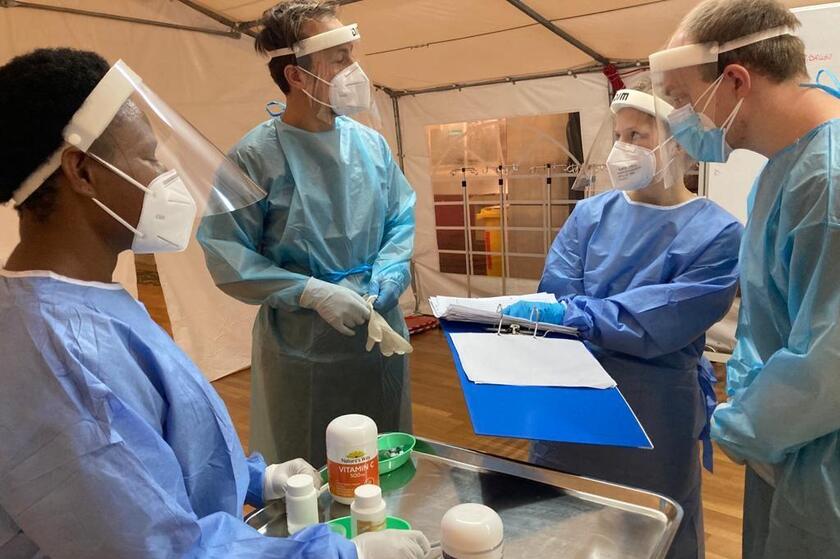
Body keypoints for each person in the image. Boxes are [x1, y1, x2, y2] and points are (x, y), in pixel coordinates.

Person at [0, 47, 429, 559]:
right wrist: (343, 554)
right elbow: (159, 549)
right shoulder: (55, 353)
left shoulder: (86, 304)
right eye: (148, 158)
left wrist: (254, 478)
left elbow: (153, 452)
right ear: (83, 172)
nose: (164, 175)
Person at [504, 80, 743, 559]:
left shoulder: (719, 234)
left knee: (649, 524)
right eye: (618, 136)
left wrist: (579, 316)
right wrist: (574, 315)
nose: (622, 149)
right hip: (571, 393)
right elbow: (558, 291)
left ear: (680, 145)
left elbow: (661, 320)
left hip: (653, 408)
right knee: (561, 520)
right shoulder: (590, 214)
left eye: (637, 136)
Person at [651, 1, 840, 557]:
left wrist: (736, 426)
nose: (679, 118)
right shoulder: (786, 166)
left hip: (820, 452)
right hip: (790, 441)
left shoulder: (827, 182)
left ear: (735, 80)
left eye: (683, 98)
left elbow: (830, 360)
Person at [197, 0, 416, 467]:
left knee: (383, 457)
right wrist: (310, 292)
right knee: (309, 469)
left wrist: (391, 271)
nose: (353, 71)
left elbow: (400, 216)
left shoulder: (370, 145)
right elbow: (225, 251)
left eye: (351, 56)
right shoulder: (254, 157)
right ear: (296, 75)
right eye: (338, 60)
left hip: (379, 334)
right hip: (303, 348)